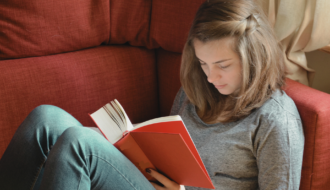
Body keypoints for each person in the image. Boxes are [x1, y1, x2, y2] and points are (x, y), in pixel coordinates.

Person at [0, 0, 304, 189]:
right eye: (203, 63)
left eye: (222, 65)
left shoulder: (276, 121)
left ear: (254, 57)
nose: (211, 77)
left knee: (81, 144)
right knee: (46, 118)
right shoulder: (196, 89)